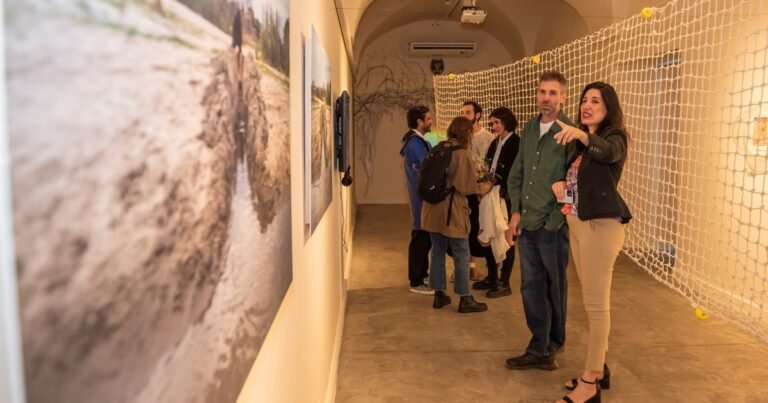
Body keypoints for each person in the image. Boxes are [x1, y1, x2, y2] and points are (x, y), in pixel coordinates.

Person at [552, 82, 632, 403]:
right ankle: (600, 370)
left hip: (600, 230)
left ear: (608, 107)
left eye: (595, 101)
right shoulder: (580, 148)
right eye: (584, 100)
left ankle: (589, 383)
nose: (587, 105)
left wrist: (583, 135)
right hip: (579, 227)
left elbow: (609, 152)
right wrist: (560, 185)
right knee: (591, 305)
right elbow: (575, 186)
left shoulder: (614, 138)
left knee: (597, 309)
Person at [505, 70, 575, 371]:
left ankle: (552, 345)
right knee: (530, 287)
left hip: (552, 227)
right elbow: (518, 172)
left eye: (552, 93)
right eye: (542, 92)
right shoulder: (530, 129)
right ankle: (540, 347)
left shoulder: (571, 132)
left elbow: (574, 182)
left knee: (554, 286)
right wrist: (515, 212)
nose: (546, 98)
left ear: (563, 97)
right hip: (527, 222)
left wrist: (553, 222)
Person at [422, 116, 489, 313]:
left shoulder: (437, 148)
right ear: (467, 133)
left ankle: (439, 294)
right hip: (452, 211)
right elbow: (466, 187)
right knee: (462, 253)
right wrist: (481, 185)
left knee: (437, 251)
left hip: (432, 209)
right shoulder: (461, 153)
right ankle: (464, 297)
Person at [477, 107, 520, 298]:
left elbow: (516, 171)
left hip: (506, 196)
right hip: (491, 194)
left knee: (506, 236)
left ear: (506, 121)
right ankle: (492, 277)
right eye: (492, 123)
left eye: (496, 122)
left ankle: (505, 282)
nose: (493, 126)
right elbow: (488, 165)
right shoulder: (495, 142)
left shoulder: (516, 142)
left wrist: (497, 182)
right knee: (489, 232)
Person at [461, 101, 496, 282]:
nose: (465, 115)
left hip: (485, 190)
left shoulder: (488, 137)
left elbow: (490, 164)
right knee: (468, 227)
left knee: (487, 228)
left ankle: (493, 270)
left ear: (478, 115)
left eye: (468, 112)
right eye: (463, 112)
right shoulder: (463, 138)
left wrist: (485, 183)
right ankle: (469, 267)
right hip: (467, 190)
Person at [400, 106, 434, 295]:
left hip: (420, 198)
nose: (431, 121)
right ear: (419, 122)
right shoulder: (415, 143)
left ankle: (422, 273)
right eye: (428, 119)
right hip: (421, 199)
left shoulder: (416, 141)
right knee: (420, 239)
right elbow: (427, 169)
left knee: (424, 238)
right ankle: (416, 280)